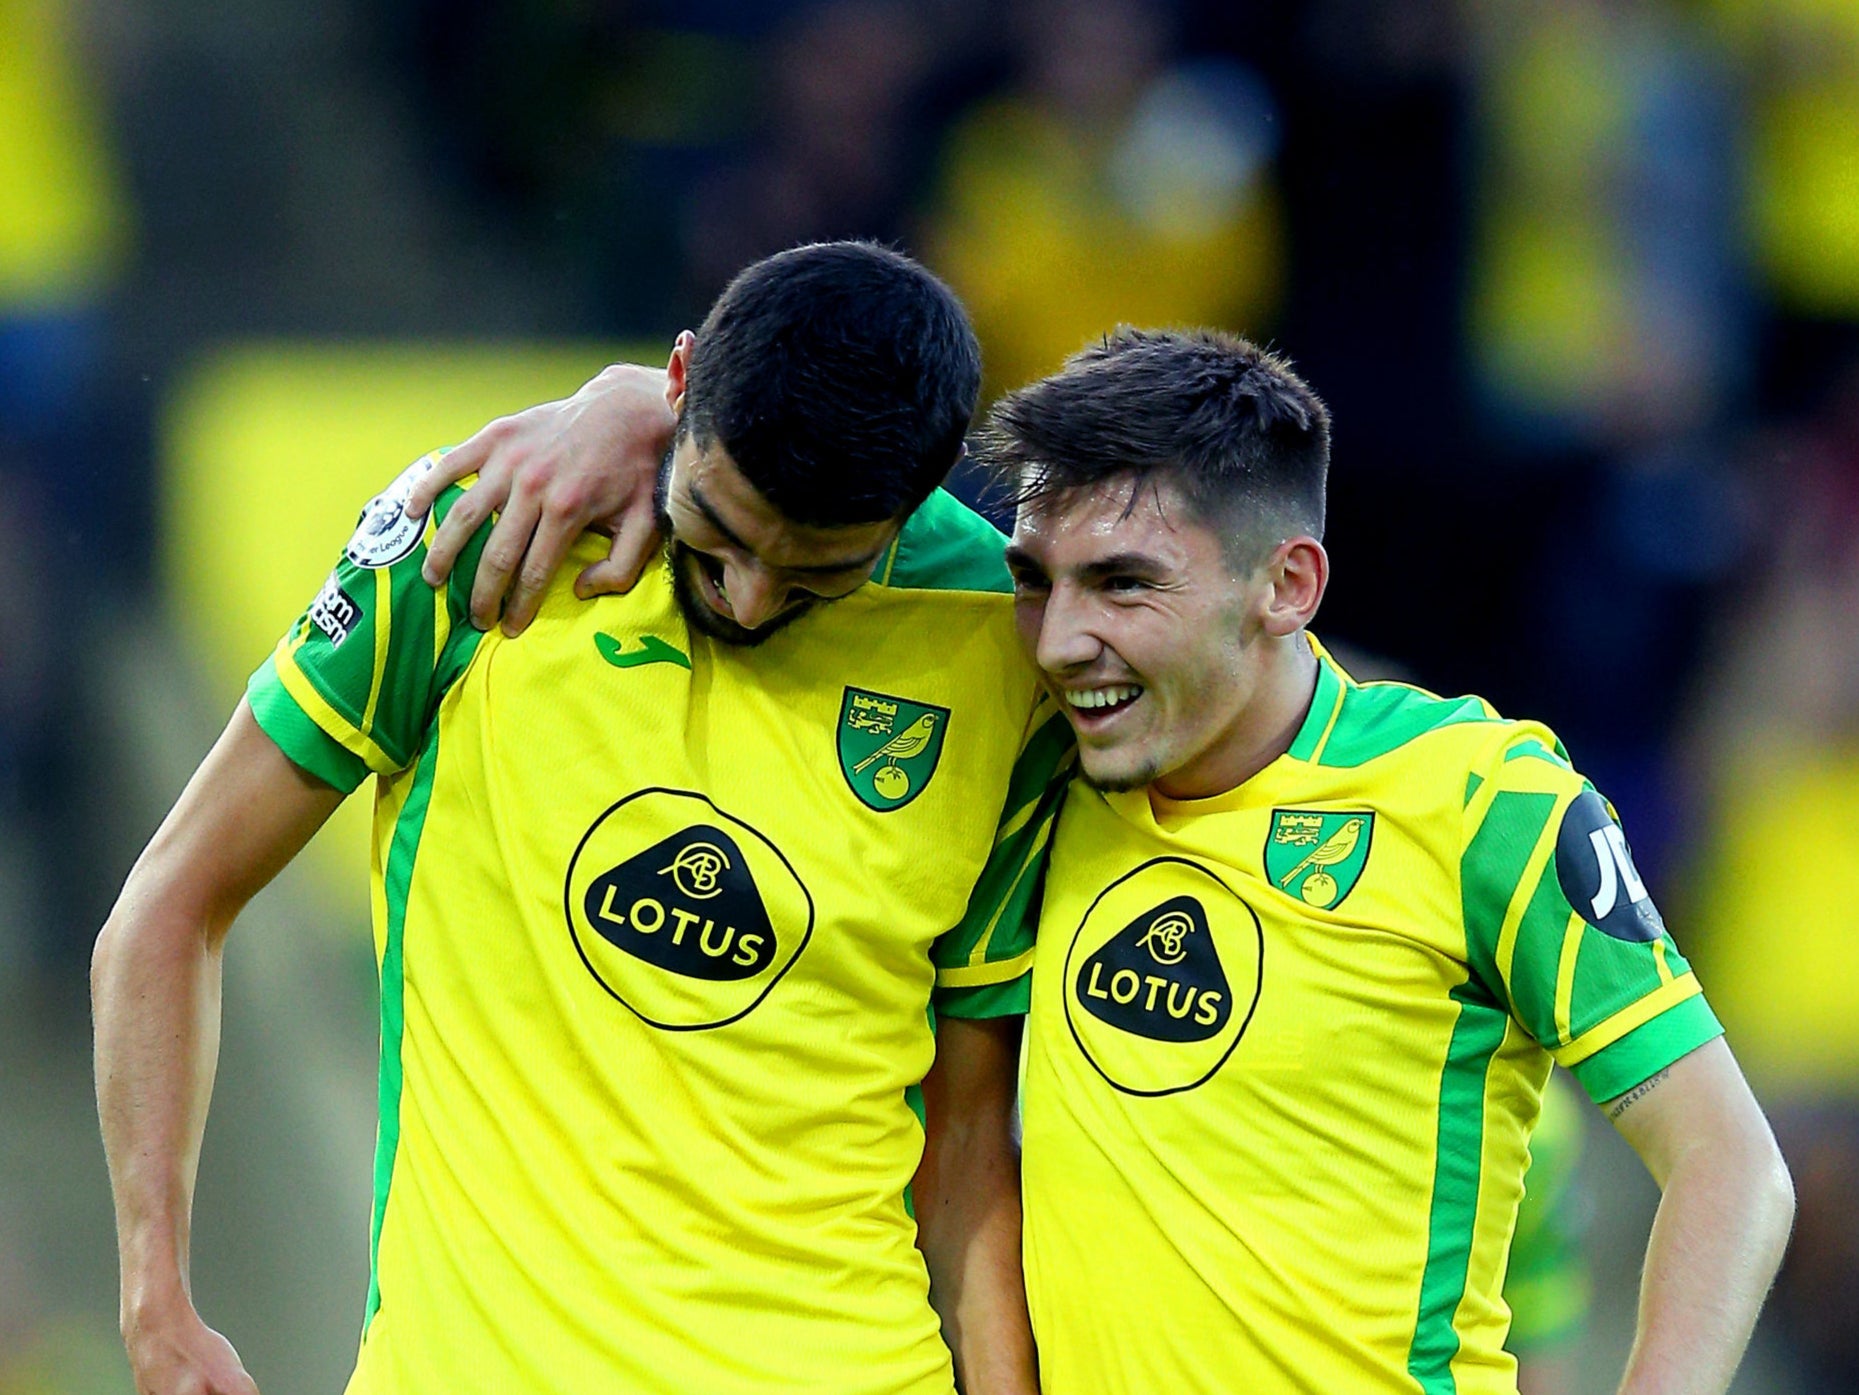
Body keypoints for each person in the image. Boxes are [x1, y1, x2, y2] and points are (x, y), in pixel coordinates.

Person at [421, 327, 1795, 1395]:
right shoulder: (1033, 772)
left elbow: (1730, 1165)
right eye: (1036, 578)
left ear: (1286, 584)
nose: (1061, 637)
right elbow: (807, 383)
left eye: (1124, 583)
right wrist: (638, 400)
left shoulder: (1476, 798)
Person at [92, 242, 1062, 1395]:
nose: (747, 595)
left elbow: (963, 1160)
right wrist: (155, 1297)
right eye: (719, 528)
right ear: (680, 379)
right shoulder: (484, 540)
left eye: (817, 575)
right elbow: (169, 906)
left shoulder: (1003, 650)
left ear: (925, 488)